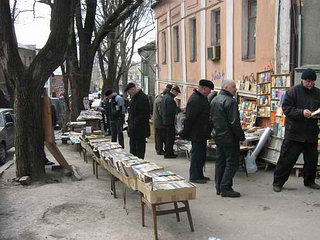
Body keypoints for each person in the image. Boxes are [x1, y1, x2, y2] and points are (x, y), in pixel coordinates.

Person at [273, 68, 320, 192]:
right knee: (286, 159)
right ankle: (278, 182)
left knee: (311, 160)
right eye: (307, 81)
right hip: (294, 133)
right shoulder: (293, 92)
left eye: (311, 81)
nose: (309, 83)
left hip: (311, 133)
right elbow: (286, 109)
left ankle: (309, 181)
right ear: (302, 80)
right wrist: (301, 112)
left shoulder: (318, 93)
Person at [211, 79, 245, 197]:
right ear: (226, 88)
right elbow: (234, 123)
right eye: (233, 86)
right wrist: (241, 137)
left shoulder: (215, 99)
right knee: (232, 162)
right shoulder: (230, 101)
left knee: (220, 161)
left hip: (218, 135)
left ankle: (219, 186)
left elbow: (212, 119)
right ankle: (225, 187)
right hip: (229, 137)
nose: (235, 89)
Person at [180, 80, 214, 184]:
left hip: (202, 133)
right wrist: (185, 133)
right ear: (203, 88)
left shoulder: (202, 98)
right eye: (209, 90)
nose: (210, 92)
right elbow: (190, 119)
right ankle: (194, 176)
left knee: (201, 155)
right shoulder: (195, 100)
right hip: (197, 133)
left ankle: (200, 174)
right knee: (196, 155)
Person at [124, 82, 150, 159]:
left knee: (139, 149)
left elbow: (143, 114)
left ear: (133, 89)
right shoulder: (134, 97)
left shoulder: (142, 98)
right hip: (133, 129)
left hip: (139, 129)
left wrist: (134, 123)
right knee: (133, 149)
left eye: (129, 92)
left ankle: (139, 163)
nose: (129, 94)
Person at [153, 84, 172, 155]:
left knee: (158, 136)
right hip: (159, 122)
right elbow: (161, 112)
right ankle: (159, 150)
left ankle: (159, 149)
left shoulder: (158, 98)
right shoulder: (160, 100)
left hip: (157, 121)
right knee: (160, 137)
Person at [161, 86, 180, 158]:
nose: (177, 95)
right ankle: (169, 153)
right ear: (174, 91)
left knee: (167, 138)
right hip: (169, 121)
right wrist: (179, 110)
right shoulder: (170, 99)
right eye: (177, 93)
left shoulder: (165, 97)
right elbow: (171, 111)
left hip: (165, 121)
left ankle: (168, 152)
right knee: (170, 138)